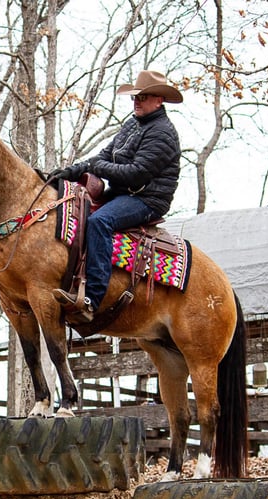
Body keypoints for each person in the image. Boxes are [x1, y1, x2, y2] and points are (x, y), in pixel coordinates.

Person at [53, 70, 183, 322]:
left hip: (147, 199)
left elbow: (136, 174)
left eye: (143, 97)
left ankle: (92, 298)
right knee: (76, 211)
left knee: (100, 222)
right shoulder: (133, 124)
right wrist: (66, 174)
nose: (137, 101)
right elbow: (102, 156)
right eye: (135, 96)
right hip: (124, 192)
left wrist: (97, 168)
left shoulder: (162, 133)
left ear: (159, 100)